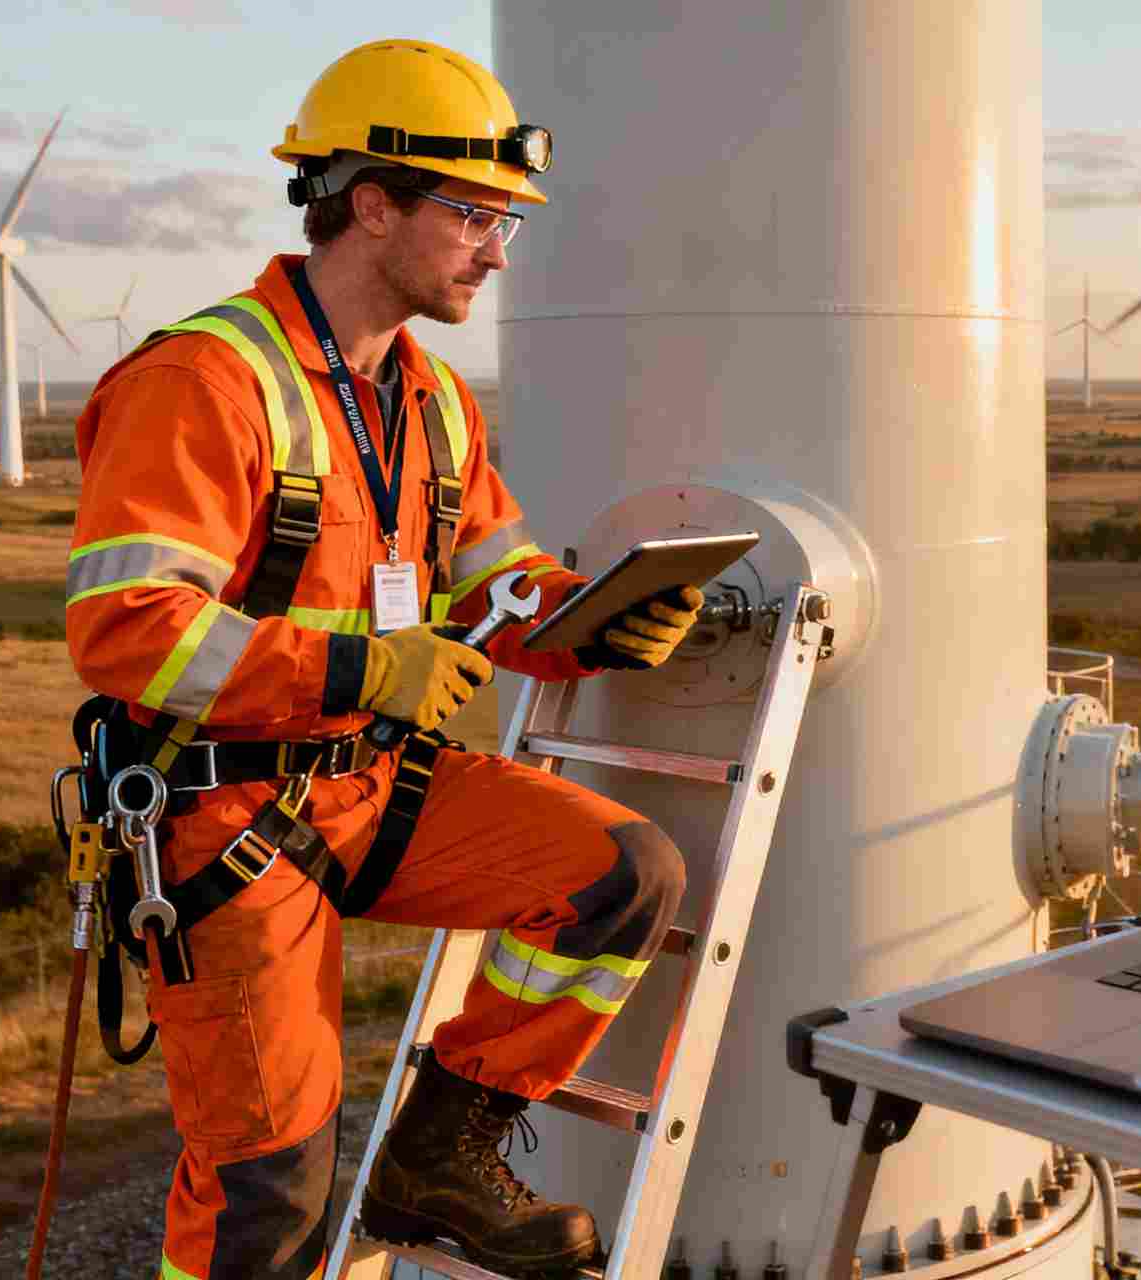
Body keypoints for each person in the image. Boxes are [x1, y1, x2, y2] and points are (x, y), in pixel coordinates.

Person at [65, 40, 703, 1278]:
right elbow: (128, 625)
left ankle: (440, 1149)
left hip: (370, 782)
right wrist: (362, 671)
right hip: (224, 813)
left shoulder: (433, 401)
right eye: (474, 214)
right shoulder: (206, 379)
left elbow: (489, 583)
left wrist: (586, 618)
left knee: (623, 873)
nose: (498, 251)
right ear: (371, 202)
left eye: (505, 220)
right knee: (270, 1194)